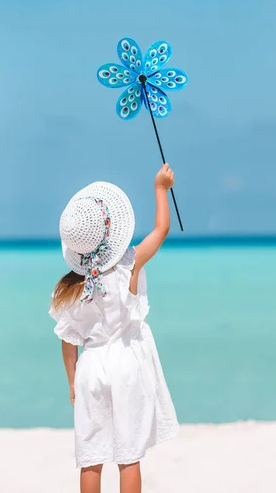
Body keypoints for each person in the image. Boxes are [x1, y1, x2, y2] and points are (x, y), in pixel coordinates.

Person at [49, 164, 179, 493]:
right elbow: (161, 229)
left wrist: (72, 382)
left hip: (90, 368)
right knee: (128, 456)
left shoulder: (68, 288)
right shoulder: (127, 266)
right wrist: (160, 189)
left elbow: (68, 339)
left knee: (90, 457)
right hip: (125, 364)